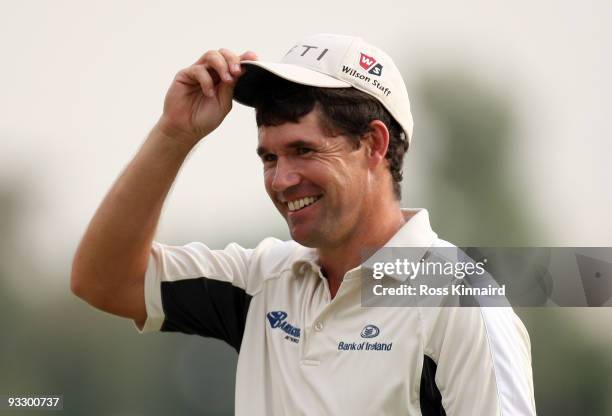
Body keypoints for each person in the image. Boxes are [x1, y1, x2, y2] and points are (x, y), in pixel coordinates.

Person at [71, 33, 536, 415]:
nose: (281, 179)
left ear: (373, 145)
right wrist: (175, 134)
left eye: (304, 151)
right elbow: (104, 280)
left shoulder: (460, 299)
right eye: (269, 157)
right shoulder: (263, 280)